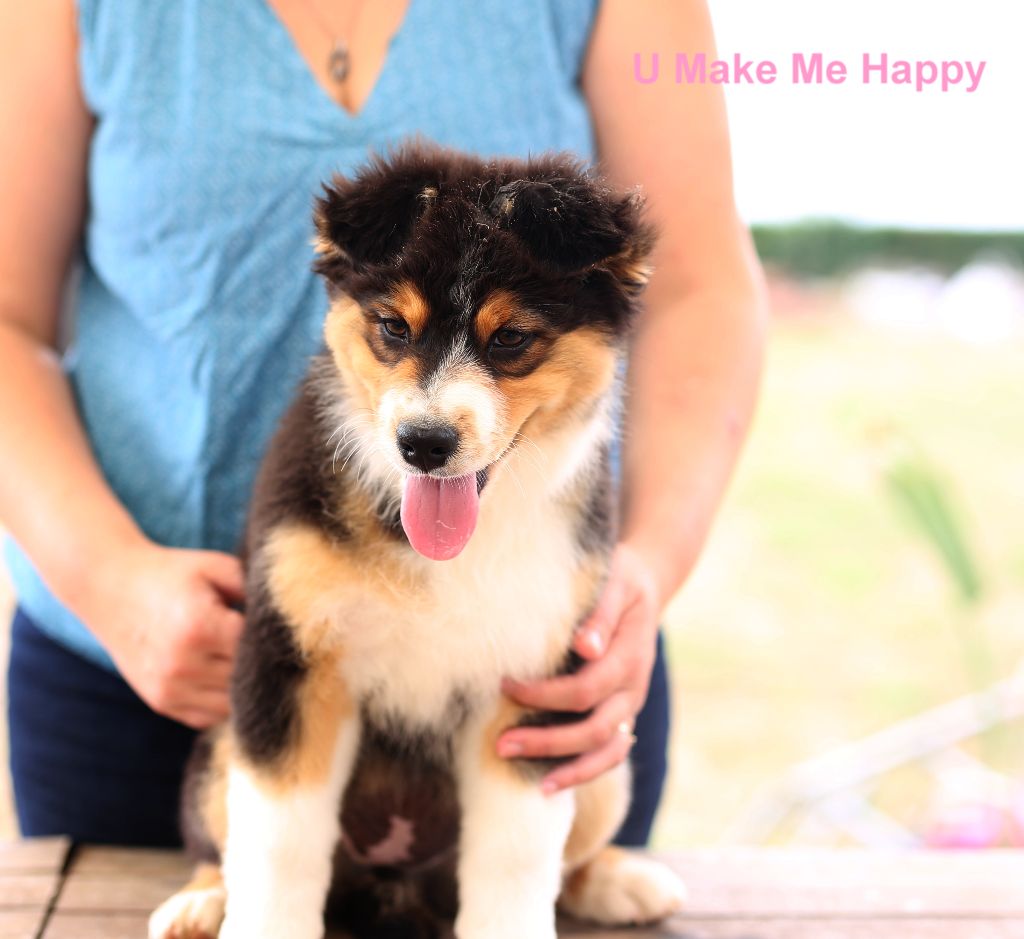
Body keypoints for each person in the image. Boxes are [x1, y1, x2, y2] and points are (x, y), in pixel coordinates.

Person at [0, 0, 765, 848]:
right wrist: (107, 578)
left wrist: (645, 566)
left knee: (532, 892)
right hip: (144, 668)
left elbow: (699, 287)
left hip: (528, 664)